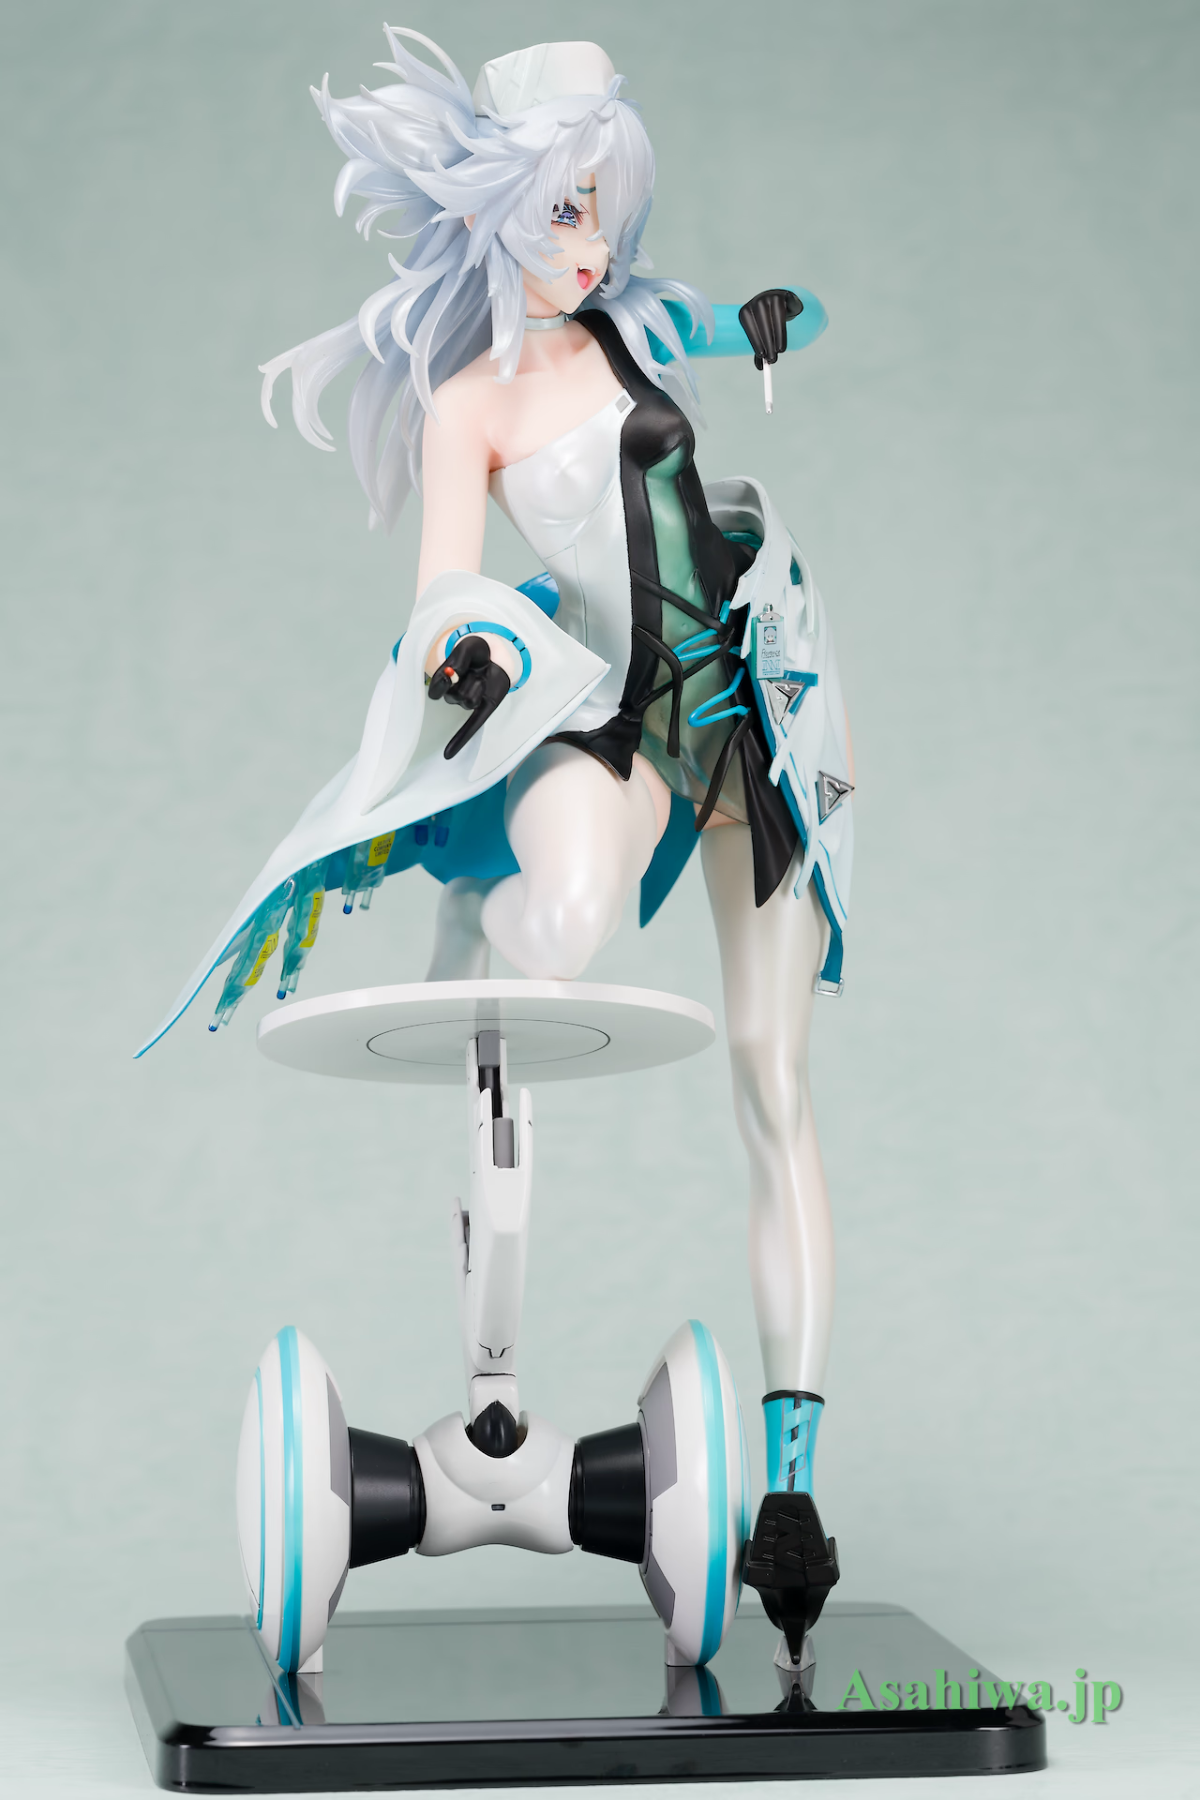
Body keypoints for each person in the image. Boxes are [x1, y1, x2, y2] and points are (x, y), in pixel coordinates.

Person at [140, 28, 854, 1650]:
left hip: (763, 711)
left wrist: (776, 317)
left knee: (772, 1076)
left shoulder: (633, 328)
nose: (589, 241)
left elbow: (802, 316)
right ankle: (477, 947)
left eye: (604, 205)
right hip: (618, 713)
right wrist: (461, 651)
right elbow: (440, 602)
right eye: (560, 209)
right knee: (561, 923)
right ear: (491, 213)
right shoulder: (465, 406)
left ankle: (797, 1487)